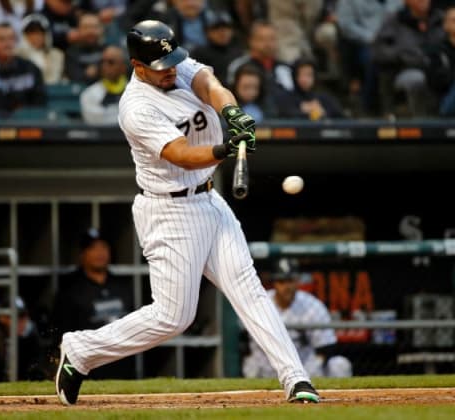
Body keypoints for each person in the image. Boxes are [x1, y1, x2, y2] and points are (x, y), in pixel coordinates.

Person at [55, 20, 319, 406]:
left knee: (248, 288)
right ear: (137, 65)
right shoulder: (136, 107)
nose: (171, 71)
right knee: (173, 317)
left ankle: (296, 380)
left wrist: (232, 114)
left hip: (209, 200)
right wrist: (224, 151)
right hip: (169, 210)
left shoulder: (176, 66)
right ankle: (80, 351)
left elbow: (210, 85)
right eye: (161, 67)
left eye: (173, 61)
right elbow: (181, 154)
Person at [243, 258, 353, 379]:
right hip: (266, 367)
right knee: (251, 365)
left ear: (297, 281)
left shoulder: (312, 306)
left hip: (303, 368)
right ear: (274, 283)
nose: (287, 286)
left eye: (290, 281)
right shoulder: (259, 303)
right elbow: (243, 343)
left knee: (339, 364)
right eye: (281, 281)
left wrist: (309, 372)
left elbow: (326, 347)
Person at [51, 228, 134, 379]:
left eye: (104, 247)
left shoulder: (123, 286)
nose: (99, 253)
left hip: (122, 366)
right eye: (93, 248)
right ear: (82, 254)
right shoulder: (70, 289)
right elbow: (61, 333)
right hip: (89, 370)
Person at [372, 0, 445, 117]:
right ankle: (422, 121)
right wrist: (402, 55)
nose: (424, 1)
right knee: (416, 79)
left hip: (439, 66)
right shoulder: (395, 20)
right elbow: (379, 50)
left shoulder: (441, 18)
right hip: (406, 69)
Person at [0, 22, 47, 116]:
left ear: (16, 42)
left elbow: (39, 103)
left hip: (27, 124)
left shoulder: (31, 69)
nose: (7, 44)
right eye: (1, 39)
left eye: (11, 39)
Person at [277, 58, 345, 120]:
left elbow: (341, 116)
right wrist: (304, 111)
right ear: (294, 76)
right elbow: (285, 115)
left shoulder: (324, 97)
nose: (304, 79)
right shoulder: (286, 97)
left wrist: (322, 112)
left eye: (308, 75)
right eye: (300, 74)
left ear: (314, 76)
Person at [191, 8, 244, 86]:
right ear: (207, 32)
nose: (222, 32)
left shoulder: (239, 53)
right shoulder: (198, 54)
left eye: (227, 28)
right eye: (216, 28)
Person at [80, 45, 128, 125]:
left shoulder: (136, 92)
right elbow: (95, 121)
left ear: (123, 67)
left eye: (111, 62)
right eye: (102, 62)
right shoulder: (89, 94)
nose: (105, 66)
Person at [16, 13, 65, 84]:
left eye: (40, 32)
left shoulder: (57, 54)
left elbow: (57, 80)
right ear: (24, 35)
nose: (36, 36)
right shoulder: (17, 55)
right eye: (32, 32)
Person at [426, 6, 455, 116]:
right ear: (445, 25)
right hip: (445, 100)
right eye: (454, 20)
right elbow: (436, 81)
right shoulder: (437, 51)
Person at [64, 12, 105, 84]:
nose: (90, 31)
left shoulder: (108, 51)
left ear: (101, 30)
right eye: (86, 27)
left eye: (94, 27)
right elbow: (76, 78)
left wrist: (93, 72)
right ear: (78, 30)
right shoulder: (71, 53)